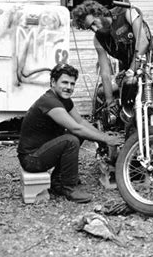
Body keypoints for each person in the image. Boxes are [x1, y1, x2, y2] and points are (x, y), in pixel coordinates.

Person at [17, 63, 121, 203]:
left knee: (75, 136)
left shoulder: (64, 100)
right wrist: (105, 140)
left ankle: (58, 180)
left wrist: (104, 137)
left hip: (42, 150)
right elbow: (76, 128)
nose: (69, 87)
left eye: (72, 84)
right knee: (71, 139)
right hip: (31, 159)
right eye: (64, 82)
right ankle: (68, 188)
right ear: (53, 82)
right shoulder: (49, 102)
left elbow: (81, 122)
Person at [71, 0, 152, 123]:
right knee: (128, 112)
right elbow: (105, 72)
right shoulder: (98, 39)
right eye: (90, 28)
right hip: (128, 71)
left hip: (148, 64)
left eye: (94, 23)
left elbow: (143, 43)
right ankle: (132, 135)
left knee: (149, 108)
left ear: (99, 13)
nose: (94, 29)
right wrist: (109, 101)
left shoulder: (127, 13)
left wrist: (131, 70)